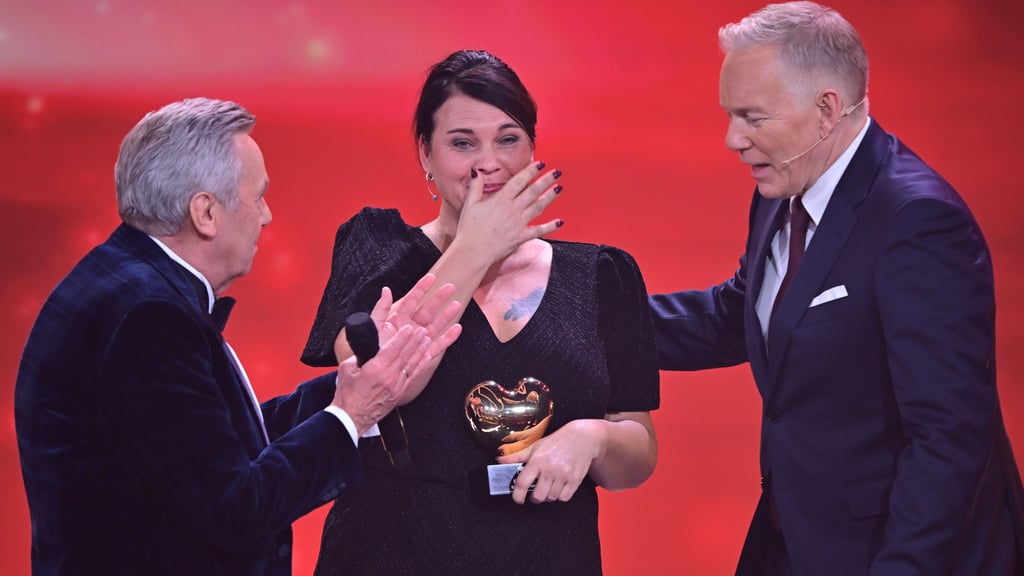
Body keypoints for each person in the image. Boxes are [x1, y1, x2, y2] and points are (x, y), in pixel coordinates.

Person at [648, 2, 1024, 574]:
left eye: (752, 117)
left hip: (889, 550)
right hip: (796, 539)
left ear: (826, 109)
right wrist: (572, 313)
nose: (732, 138)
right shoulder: (786, 188)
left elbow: (950, 439)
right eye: (729, 115)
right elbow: (740, 315)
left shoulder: (917, 221)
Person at [14, 97, 462, 576]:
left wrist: (356, 385)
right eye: (257, 197)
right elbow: (236, 508)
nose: (266, 216)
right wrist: (352, 414)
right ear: (205, 213)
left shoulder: (123, 278)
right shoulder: (149, 318)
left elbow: (209, 448)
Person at [300, 49, 660, 575]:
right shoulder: (376, 247)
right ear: (424, 153)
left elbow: (638, 456)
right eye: (462, 142)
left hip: (550, 556)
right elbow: (382, 383)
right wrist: (474, 247)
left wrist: (593, 438)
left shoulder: (603, 274)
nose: (488, 162)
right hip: (393, 553)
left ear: (534, 146)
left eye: (508, 139)